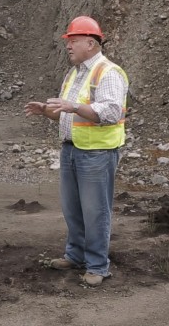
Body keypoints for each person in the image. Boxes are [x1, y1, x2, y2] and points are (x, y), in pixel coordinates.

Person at [24, 16, 128, 286]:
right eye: (68, 42)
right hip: (72, 150)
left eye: (73, 41)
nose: (68, 46)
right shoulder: (75, 73)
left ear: (91, 43)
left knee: (95, 211)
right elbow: (67, 114)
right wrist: (46, 111)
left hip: (97, 153)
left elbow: (110, 111)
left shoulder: (108, 72)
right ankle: (76, 255)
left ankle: (97, 265)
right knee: (73, 209)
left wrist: (74, 107)